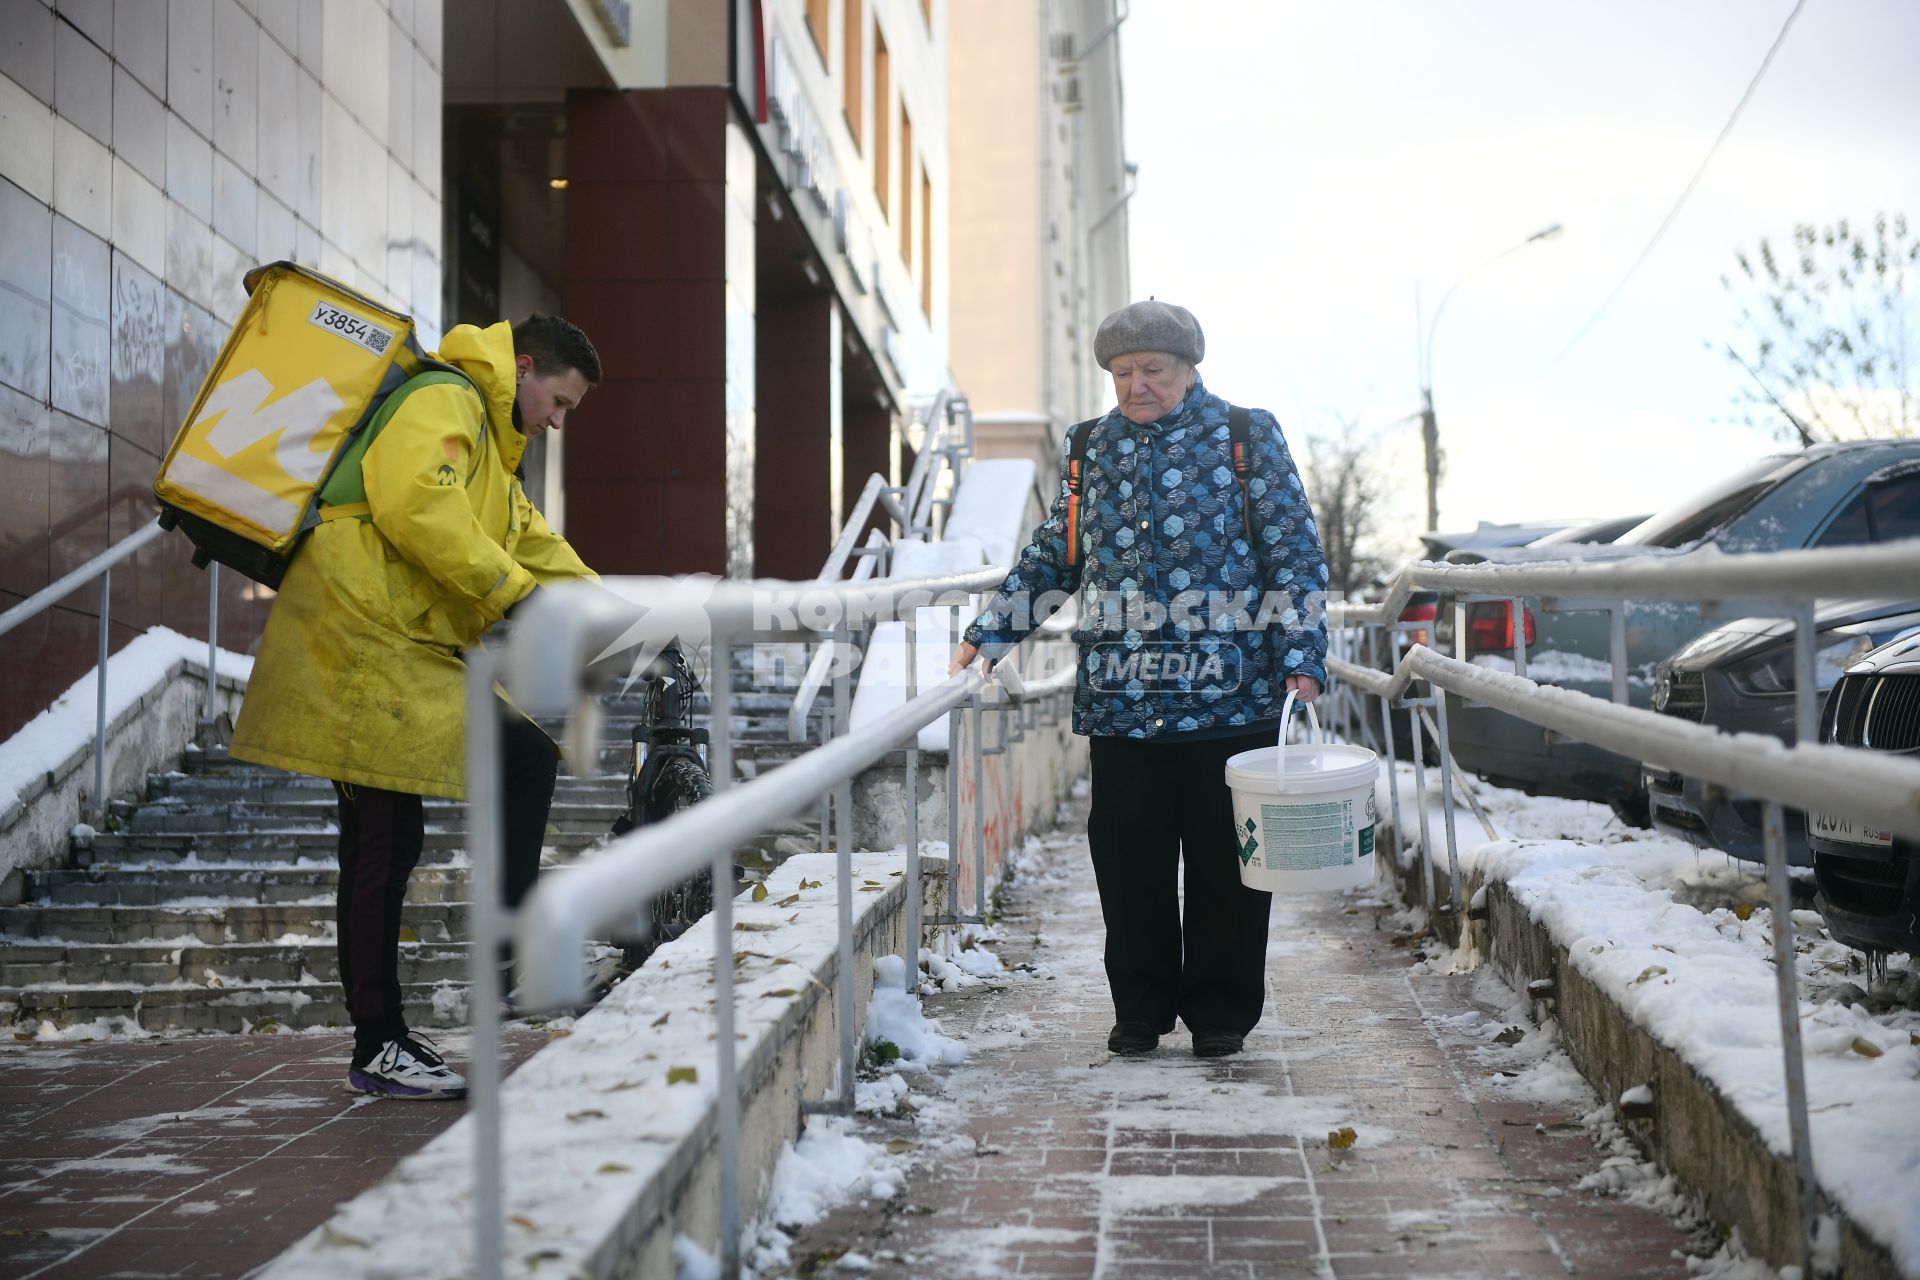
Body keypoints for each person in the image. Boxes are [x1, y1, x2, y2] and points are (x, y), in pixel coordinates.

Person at [231, 314, 604, 1099]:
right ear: (524, 367)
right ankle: (386, 1039)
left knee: (447, 804)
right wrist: (521, 602)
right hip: (358, 639)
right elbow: (415, 507)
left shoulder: (494, 457)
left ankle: (489, 973)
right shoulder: (445, 399)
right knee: (383, 838)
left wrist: (616, 615)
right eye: (559, 402)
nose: (559, 422)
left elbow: (533, 545)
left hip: (403, 646)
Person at [949, 300, 1328, 1059]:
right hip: (1124, 703)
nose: (1136, 386)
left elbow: (1293, 552)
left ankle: (1221, 1013)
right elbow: (1058, 554)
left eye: (1152, 369)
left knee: (1226, 868)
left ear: (1189, 369)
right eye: (1122, 373)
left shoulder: (1245, 437)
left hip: (1233, 696)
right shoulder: (1091, 447)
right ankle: (1140, 1011)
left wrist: (1303, 658)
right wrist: (990, 636)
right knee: (1130, 866)